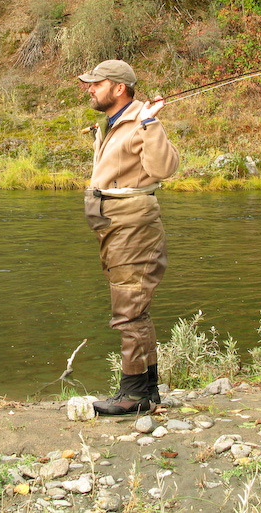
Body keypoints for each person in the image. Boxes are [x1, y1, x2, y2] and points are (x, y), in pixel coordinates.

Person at [79, 59, 180, 415]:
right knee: (134, 307)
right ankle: (148, 390)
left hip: (133, 226)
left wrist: (151, 123)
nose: (89, 89)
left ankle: (133, 394)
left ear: (119, 87)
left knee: (129, 309)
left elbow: (164, 169)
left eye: (96, 83)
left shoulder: (143, 121)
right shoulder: (112, 123)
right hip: (115, 226)